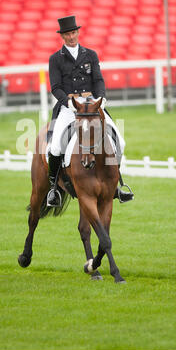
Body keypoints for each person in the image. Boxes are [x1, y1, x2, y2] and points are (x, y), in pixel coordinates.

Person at [47, 15, 134, 207]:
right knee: (54, 147)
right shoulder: (55, 59)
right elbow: (55, 87)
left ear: (78, 32)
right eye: (67, 34)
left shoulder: (91, 55)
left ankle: (117, 185)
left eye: (73, 32)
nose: (71, 37)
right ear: (62, 36)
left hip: (92, 105)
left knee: (121, 141)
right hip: (70, 108)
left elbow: (98, 80)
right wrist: (68, 101)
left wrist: (100, 99)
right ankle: (53, 189)